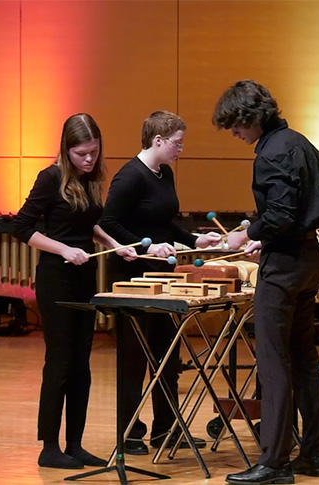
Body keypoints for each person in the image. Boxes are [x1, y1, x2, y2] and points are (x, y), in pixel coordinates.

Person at [213, 80, 319, 485]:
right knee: (303, 359)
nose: (235, 134)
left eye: (235, 125)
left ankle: (275, 461)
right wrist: (268, 237)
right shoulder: (303, 144)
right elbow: (303, 210)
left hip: (284, 268)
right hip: (308, 259)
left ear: (250, 117)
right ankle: (314, 452)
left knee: (274, 363)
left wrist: (250, 233)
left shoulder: (271, 153)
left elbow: (279, 214)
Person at [12, 113, 137, 469]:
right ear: (66, 150)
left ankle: (75, 444)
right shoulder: (50, 178)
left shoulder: (89, 179)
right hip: (56, 279)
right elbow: (21, 227)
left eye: (94, 152)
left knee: (82, 364)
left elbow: (88, 222)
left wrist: (116, 243)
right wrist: (63, 249)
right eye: (82, 153)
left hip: (84, 280)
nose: (89, 159)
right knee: (60, 362)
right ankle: (49, 446)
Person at [99, 110, 222, 455]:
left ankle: (166, 430)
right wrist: (146, 245)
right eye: (177, 143)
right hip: (132, 278)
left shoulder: (164, 174)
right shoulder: (129, 177)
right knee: (135, 359)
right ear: (158, 140)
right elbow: (109, 224)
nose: (181, 149)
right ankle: (130, 433)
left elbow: (166, 224)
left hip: (162, 277)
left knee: (168, 355)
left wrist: (195, 240)